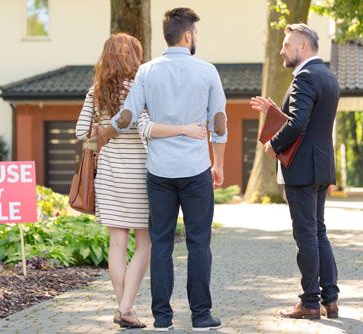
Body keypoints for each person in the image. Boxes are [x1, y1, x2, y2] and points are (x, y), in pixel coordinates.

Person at [100, 8, 227, 332]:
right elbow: (219, 123)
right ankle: (201, 317)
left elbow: (128, 116)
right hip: (196, 170)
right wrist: (219, 163)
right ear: (188, 35)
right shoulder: (207, 71)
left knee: (161, 243)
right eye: (195, 33)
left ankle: (162, 319)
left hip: (158, 173)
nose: (195, 38)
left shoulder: (147, 71)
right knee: (199, 243)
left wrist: (105, 133)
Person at [75, 33, 206, 329]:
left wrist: (103, 128)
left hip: (107, 172)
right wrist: (183, 129)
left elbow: (81, 132)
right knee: (146, 241)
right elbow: (145, 127)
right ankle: (126, 307)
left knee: (116, 242)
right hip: (138, 171)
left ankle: (124, 308)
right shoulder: (141, 87)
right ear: (134, 57)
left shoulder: (95, 91)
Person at [250, 23, 340, 319]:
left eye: (287, 45)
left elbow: (299, 123)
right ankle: (330, 298)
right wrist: (275, 110)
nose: (282, 50)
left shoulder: (304, 77)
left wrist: (274, 144)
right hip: (321, 166)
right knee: (319, 232)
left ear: (303, 47)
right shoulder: (328, 76)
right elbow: (309, 121)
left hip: (301, 169)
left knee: (306, 236)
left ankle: (310, 302)